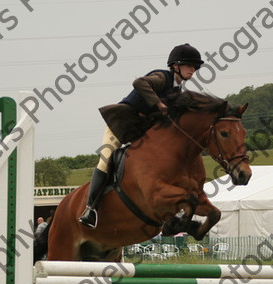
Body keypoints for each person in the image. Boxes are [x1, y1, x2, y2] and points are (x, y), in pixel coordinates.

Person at [79, 43, 204, 229]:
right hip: (120, 126)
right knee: (105, 161)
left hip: (140, 132)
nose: (193, 70)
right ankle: (90, 209)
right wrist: (158, 104)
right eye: (189, 65)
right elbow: (139, 83)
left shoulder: (178, 91)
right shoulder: (162, 77)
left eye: (195, 67)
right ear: (176, 65)